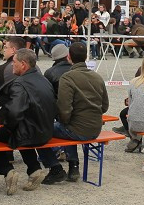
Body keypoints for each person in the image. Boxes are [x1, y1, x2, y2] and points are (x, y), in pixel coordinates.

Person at [0, 48, 56, 193]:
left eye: (14, 62)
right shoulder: (44, 80)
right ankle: (33, 169)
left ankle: (7, 171)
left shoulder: (19, 83)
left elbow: (14, 112)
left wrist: (8, 127)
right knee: (21, 129)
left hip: (30, 134)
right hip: (45, 132)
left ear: (24, 64)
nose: (12, 65)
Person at [47, 42, 110, 182]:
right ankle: (73, 165)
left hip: (76, 129)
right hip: (95, 128)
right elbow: (105, 106)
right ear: (86, 56)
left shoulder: (68, 78)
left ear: (69, 57)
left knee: (43, 129)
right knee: (69, 126)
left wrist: (64, 121)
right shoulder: (97, 77)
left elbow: (64, 109)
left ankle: (55, 166)